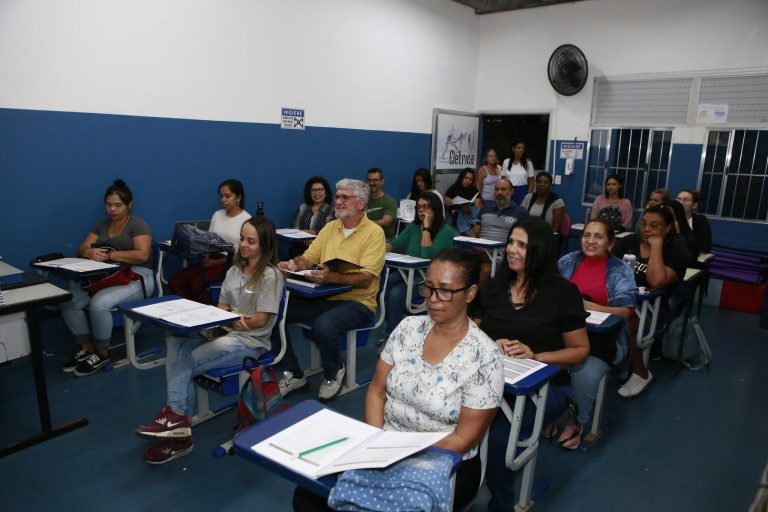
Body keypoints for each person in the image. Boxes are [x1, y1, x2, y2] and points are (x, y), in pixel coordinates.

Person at [136, 216, 284, 464]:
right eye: (242, 239)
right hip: (224, 332)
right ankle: (178, 420)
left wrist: (231, 317)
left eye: (251, 241)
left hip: (250, 342)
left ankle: (177, 425)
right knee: (175, 339)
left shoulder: (270, 275)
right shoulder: (234, 270)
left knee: (185, 361)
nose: (244, 245)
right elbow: (221, 307)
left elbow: (258, 320)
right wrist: (232, 317)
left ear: (265, 245)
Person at [366, 248, 503, 511]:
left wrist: (401, 453)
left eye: (445, 290)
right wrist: (375, 441)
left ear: (470, 293)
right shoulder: (408, 329)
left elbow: (464, 438)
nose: (433, 299)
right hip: (387, 445)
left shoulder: (485, 357)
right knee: (308, 497)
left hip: (446, 460)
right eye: (428, 287)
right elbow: (376, 390)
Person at [473, 217, 589, 512]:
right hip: (492, 380)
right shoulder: (494, 288)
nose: (512, 249)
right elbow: (470, 333)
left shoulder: (563, 294)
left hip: (545, 387)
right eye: (511, 242)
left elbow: (579, 351)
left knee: (498, 439)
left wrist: (535, 355)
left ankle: (501, 503)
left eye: (521, 245)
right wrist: (491, 343)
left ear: (539, 251)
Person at [277, 179, 386, 401]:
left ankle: (333, 371)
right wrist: (292, 265)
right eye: (337, 197)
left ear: (361, 203)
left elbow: (366, 279)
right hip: (326, 296)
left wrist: (332, 277)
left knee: (323, 326)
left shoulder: (374, 233)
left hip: (359, 302)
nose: (338, 201)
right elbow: (308, 258)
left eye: (345, 197)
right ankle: (295, 373)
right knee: (274, 312)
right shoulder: (330, 228)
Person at [60, 179, 155, 377]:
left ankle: (102, 352)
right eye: (109, 205)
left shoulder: (138, 225)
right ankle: (87, 349)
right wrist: (90, 254)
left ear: (129, 205)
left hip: (136, 277)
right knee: (68, 299)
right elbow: (83, 247)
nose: (112, 209)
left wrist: (111, 256)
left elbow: (142, 255)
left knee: (99, 303)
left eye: (118, 205)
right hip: (105, 276)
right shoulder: (101, 225)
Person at [557, 219, 637, 448]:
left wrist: (586, 306)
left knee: (585, 372)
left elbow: (626, 311)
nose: (590, 241)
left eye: (598, 236)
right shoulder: (567, 261)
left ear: (610, 243)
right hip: (565, 335)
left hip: (603, 341)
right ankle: (550, 413)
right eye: (586, 235)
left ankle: (577, 420)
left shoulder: (619, 270)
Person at [614, 204, 689, 397]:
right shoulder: (630, 241)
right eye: (644, 224)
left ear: (668, 228)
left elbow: (656, 281)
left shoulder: (676, 251)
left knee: (625, 320)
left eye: (654, 226)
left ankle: (641, 371)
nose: (647, 229)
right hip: (620, 301)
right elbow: (607, 268)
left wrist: (656, 245)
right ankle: (616, 362)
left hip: (652, 310)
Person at [382, 192, 455, 340]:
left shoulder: (445, 231)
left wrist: (426, 229)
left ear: (435, 208)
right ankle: (395, 326)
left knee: (396, 293)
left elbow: (427, 256)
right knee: (383, 285)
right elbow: (395, 245)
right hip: (409, 273)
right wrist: (381, 246)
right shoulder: (414, 227)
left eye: (426, 207)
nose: (421, 210)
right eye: (419, 207)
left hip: (430, 278)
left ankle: (391, 335)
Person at [169, 178, 251, 303]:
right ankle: (193, 312)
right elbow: (208, 240)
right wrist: (206, 258)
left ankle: (209, 315)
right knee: (175, 282)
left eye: (227, 196)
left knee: (197, 285)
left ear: (238, 197)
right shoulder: (217, 215)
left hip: (230, 262)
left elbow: (243, 255)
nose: (223, 200)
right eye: (221, 196)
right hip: (210, 258)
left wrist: (213, 263)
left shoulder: (246, 220)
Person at [471, 177, 529, 283]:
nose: (499, 192)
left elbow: (524, 240)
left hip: (502, 254)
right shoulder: (485, 208)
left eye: (503, 189)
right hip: (480, 252)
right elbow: (474, 233)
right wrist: (476, 246)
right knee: (458, 264)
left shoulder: (520, 213)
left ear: (512, 191)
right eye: (496, 189)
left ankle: (478, 299)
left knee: (486, 270)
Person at [288, 176, 334, 258]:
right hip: (301, 248)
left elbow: (331, 233)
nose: (316, 193)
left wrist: (314, 233)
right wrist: (303, 235)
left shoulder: (331, 210)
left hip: (322, 249)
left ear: (326, 192)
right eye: (313, 190)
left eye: (319, 190)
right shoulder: (303, 208)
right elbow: (294, 228)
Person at [445, 167, 482, 235]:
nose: (468, 180)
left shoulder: (474, 191)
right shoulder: (453, 189)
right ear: (461, 177)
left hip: (469, 218)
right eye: (466, 178)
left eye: (470, 179)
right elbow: (446, 202)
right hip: (454, 217)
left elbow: (478, 209)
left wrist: (470, 210)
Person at [365, 168, 398, 240]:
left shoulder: (390, 202)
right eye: (369, 180)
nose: (371, 183)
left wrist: (363, 223)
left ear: (382, 181)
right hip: (365, 238)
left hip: (384, 240)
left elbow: (385, 222)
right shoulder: (363, 200)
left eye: (375, 180)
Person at [676, 188, 712, 253]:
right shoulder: (668, 219)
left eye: (685, 200)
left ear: (694, 205)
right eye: (679, 199)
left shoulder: (700, 220)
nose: (680, 202)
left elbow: (704, 247)